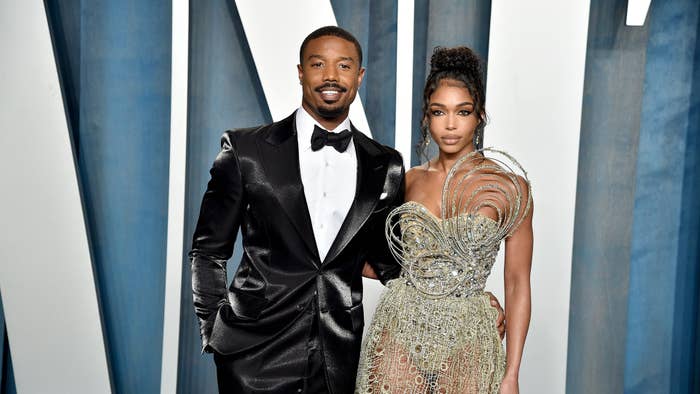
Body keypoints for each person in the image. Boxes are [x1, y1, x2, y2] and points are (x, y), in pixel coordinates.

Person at [355, 46, 534, 394]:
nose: (450, 125)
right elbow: (365, 253)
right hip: (400, 328)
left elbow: (517, 282)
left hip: (470, 337)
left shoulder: (510, 187)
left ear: (479, 115)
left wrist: (512, 374)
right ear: (426, 117)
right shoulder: (406, 180)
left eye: (462, 112)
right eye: (439, 112)